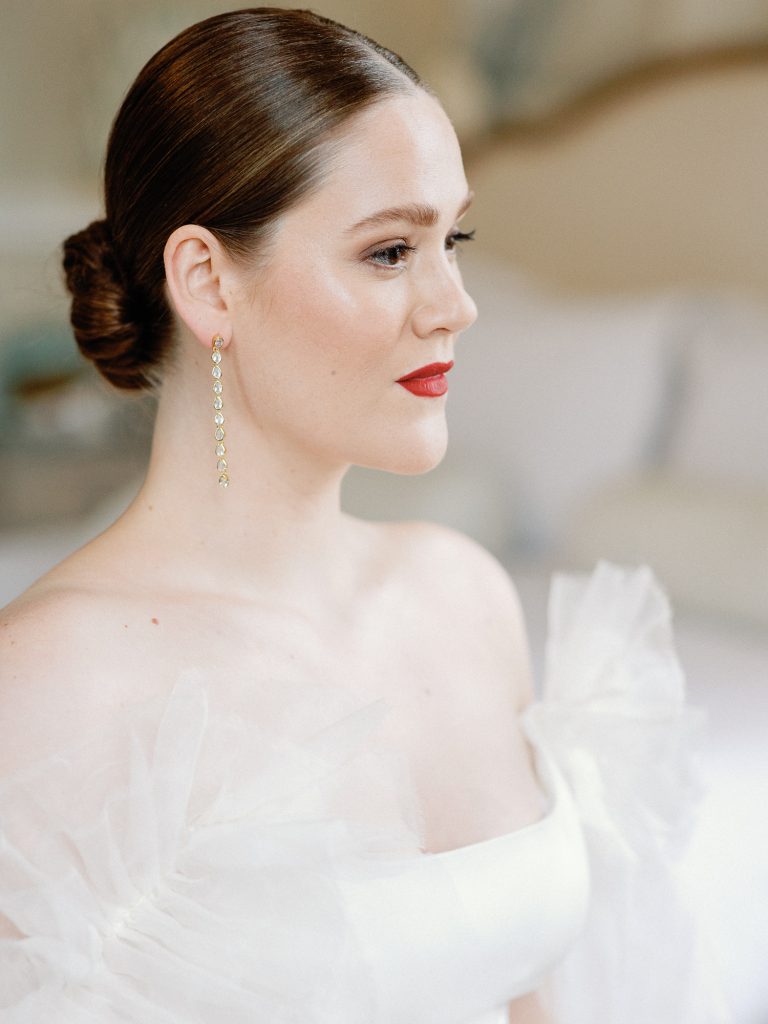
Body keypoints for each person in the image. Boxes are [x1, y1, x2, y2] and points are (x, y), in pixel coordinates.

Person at [0, 9, 728, 1024]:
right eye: (391, 251)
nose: (455, 303)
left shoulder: (464, 590)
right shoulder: (51, 682)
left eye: (453, 238)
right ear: (208, 280)